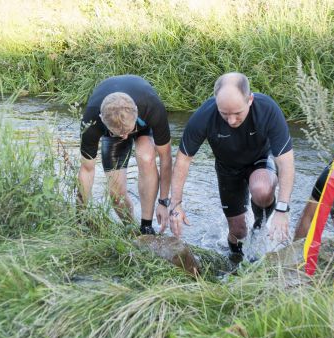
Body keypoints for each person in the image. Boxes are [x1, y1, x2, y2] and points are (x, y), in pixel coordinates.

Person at [169, 72, 295, 257]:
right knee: (238, 231)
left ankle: (260, 225)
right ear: (216, 103)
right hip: (228, 169)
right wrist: (175, 205)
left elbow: (286, 163)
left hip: (259, 161)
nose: (231, 121)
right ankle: (235, 261)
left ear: (250, 100)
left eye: (237, 113)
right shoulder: (205, 116)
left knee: (261, 189)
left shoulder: (267, 109)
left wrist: (282, 209)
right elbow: (183, 160)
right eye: (224, 114)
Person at [78, 75, 172, 234]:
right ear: (101, 118)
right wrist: (80, 215)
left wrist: (163, 202)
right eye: (119, 133)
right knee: (115, 193)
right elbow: (87, 170)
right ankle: (131, 230)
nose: (124, 137)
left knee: (146, 156)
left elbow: (166, 158)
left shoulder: (152, 107)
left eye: (127, 132)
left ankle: (146, 226)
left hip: (142, 123)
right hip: (110, 124)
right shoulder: (91, 121)